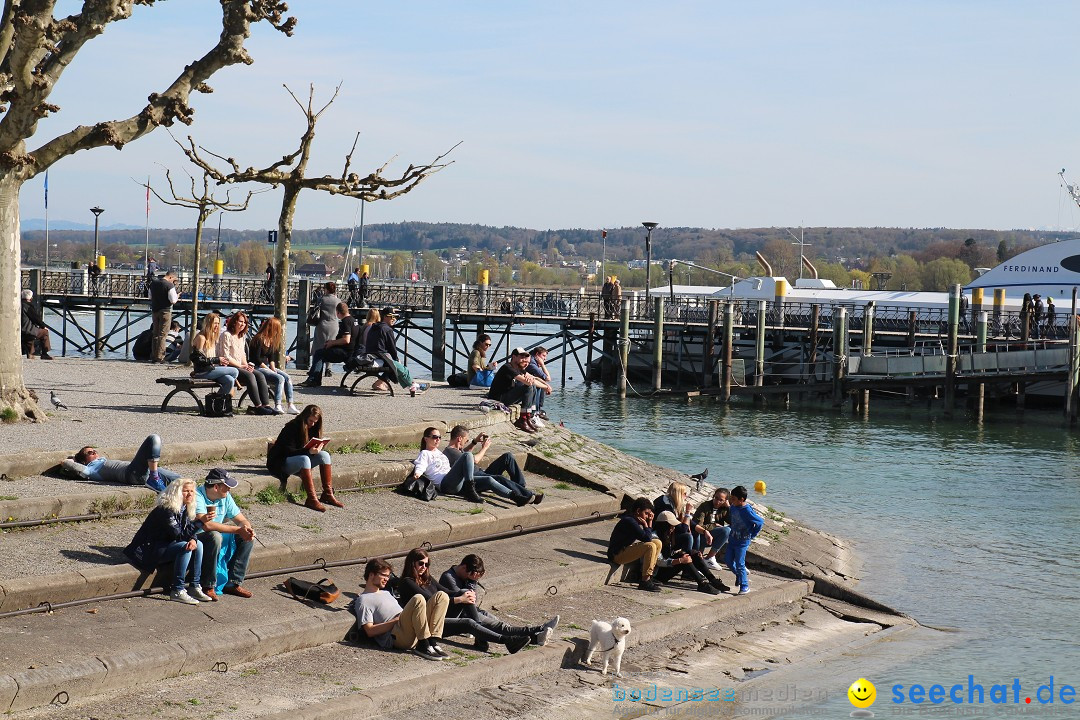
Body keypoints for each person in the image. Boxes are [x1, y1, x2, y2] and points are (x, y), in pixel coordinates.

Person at [437, 553, 559, 652]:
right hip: (457, 615)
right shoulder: (448, 577)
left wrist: (473, 581)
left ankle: (536, 637)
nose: (471, 580)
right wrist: (471, 583)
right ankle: (539, 629)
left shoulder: (466, 576)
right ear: (463, 567)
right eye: (470, 577)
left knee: (501, 624)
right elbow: (466, 600)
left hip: (472, 612)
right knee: (499, 627)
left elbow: (473, 602)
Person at [123, 478, 211, 605]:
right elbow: (179, 535)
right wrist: (200, 522)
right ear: (177, 492)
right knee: (184, 546)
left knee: (199, 544)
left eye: (192, 491)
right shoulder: (165, 510)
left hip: (166, 546)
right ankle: (177, 589)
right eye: (186, 491)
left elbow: (187, 529)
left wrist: (193, 538)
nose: (190, 494)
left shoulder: (184, 508)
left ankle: (194, 586)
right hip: (150, 550)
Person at [352, 557, 449, 661]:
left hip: (412, 628)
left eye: (388, 576)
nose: (387, 579)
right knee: (418, 599)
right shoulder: (363, 600)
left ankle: (432, 641)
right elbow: (370, 631)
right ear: (371, 575)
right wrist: (395, 621)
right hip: (397, 635)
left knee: (441, 596)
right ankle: (423, 645)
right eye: (384, 575)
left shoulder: (386, 592)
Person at [411, 426, 530, 504]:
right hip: (446, 484)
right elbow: (421, 464)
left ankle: (515, 497)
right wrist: (418, 473)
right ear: (426, 439)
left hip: (457, 481)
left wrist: (473, 442)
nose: (438, 440)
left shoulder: (439, 453)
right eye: (435, 437)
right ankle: (470, 489)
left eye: (439, 437)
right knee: (467, 455)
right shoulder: (425, 453)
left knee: (489, 479)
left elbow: (460, 457)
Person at [266, 404, 342, 511]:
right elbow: (288, 451)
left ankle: (327, 494)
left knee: (325, 455)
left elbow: (307, 448)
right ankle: (311, 499)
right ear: (305, 416)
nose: (312, 424)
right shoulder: (292, 427)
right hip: (281, 462)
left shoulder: (314, 428)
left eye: (315, 422)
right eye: (311, 420)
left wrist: (317, 448)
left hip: (299, 460)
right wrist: (308, 451)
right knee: (304, 459)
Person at [194, 468, 256, 600]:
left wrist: (246, 529)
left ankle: (233, 583)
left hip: (214, 533)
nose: (229, 490)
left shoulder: (225, 496)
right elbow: (207, 526)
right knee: (215, 536)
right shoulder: (197, 496)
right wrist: (238, 530)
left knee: (247, 538)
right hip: (196, 536)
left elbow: (241, 519)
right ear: (216, 487)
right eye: (227, 487)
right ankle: (208, 585)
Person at [443, 425, 543, 505]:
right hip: (476, 479)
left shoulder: (456, 449)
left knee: (507, 457)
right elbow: (475, 460)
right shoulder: (450, 452)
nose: (466, 442)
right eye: (466, 440)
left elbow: (465, 452)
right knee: (499, 478)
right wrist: (485, 448)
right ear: (460, 439)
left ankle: (520, 487)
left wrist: (474, 442)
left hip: (482, 473)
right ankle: (528, 495)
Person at [63, 434, 179, 492]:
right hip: (132, 474)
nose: (94, 452)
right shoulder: (91, 469)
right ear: (84, 460)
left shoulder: (101, 461)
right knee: (153, 438)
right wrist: (74, 458)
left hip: (141, 470)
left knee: (181, 481)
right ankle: (154, 479)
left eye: (94, 450)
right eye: (90, 453)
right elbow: (67, 463)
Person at [651, 510, 728, 595]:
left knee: (693, 554)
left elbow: (670, 553)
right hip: (657, 575)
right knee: (685, 560)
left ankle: (713, 580)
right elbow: (660, 561)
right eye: (671, 526)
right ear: (664, 526)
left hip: (666, 566)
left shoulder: (667, 535)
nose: (673, 528)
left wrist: (692, 553)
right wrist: (680, 560)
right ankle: (702, 584)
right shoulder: (655, 538)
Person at [217, 311, 276, 415]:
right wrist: (241, 366)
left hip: (240, 366)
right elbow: (226, 356)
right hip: (229, 367)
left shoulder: (241, 336)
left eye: (244, 323)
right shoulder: (226, 335)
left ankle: (266, 405)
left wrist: (246, 365)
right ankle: (257, 406)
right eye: (240, 322)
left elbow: (243, 354)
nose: (242, 324)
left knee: (259, 375)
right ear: (234, 322)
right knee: (250, 376)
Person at [606, 497, 664, 593]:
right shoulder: (630, 521)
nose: (647, 516)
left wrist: (649, 523)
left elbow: (647, 536)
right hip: (616, 555)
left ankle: (649, 576)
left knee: (657, 542)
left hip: (624, 550)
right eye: (646, 513)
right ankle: (645, 580)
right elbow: (647, 538)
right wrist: (647, 525)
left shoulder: (634, 521)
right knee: (650, 545)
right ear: (638, 511)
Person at [487, 348, 550, 433]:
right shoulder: (508, 367)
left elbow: (534, 379)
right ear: (514, 357)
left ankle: (529, 416)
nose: (523, 360)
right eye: (521, 357)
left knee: (533, 387)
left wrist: (546, 386)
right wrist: (544, 387)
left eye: (525, 358)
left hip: (507, 396)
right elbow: (526, 381)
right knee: (529, 387)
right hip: (498, 398)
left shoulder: (519, 368)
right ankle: (523, 419)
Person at [300, 303, 359, 387]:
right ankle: (315, 378)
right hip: (351, 352)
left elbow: (346, 340)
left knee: (319, 354)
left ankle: (313, 379)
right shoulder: (354, 320)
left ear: (338, 312)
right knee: (322, 352)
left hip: (345, 353)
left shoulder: (346, 321)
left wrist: (332, 343)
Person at [249, 316, 299, 414]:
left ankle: (290, 404)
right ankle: (278, 404)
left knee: (287, 377)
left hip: (266, 366)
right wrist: (268, 368)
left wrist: (273, 368)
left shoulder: (271, 340)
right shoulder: (258, 339)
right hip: (257, 366)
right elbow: (257, 359)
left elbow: (271, 358)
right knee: (280, 379)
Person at [725, 485, 764, 595]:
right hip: (732, 539)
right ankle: (739, 575)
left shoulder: (747, 510)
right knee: (728, 560)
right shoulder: (733, 507)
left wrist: (752, 534)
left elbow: (760, 522)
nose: (731, 501)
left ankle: (744, 586)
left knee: (740, 563)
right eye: (731, 498)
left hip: (742, 541)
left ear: (741, 499)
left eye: (733, 499)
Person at [190, 312, 239, 396]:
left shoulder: (213, 337)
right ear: (209, 324)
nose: (217, 326)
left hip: (211, 369)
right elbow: (198, 359)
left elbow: (211, 357)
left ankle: (217, 402)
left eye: (218, 323)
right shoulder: (202, 338)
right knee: (234, 371)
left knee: (229, 380)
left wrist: (220, 362)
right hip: (203, 371)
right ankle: (228, 393)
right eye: (215, 323)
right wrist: (217, 359)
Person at [692, 487, 731, 571]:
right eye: (716, 498)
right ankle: (705, 560)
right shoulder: (704, 506)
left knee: (731, 529)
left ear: (725, 501)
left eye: (721, 500)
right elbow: (698, 526)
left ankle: (709, 558)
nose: (717, 502)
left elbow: (734, 522)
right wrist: (714, 525)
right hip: (701, 536)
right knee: (726, 530)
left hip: (713, 537)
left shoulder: (724, 509)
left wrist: (729, 507)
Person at [366, 306, 400, 391]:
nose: (394, 319)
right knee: (395, 364)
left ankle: (381, 382)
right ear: (385, 317)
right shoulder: (387, 329)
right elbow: (392, 348)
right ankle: (412, 385)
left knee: (392, 362)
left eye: (395, 317)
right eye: (392, 316)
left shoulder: (373, 327)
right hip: (378, 358)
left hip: (369, 356)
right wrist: (396, 359)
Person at [149, 270, 178, 363]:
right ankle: (160, 357)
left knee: (155, 333)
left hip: (155, 310)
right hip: (165, 311)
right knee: (162, 334)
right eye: (173, 280)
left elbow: (150, 296)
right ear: (170, 277)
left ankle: (153, 355)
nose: (173, 282)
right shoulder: (169, 285)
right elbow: (173, 300)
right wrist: (177, 296)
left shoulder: (153, 283)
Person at [310, 281, 341, 357]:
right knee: (330, 346)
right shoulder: (338, 301)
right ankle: (328, 367)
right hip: (334, 325)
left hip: (322, 324)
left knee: (319, 346)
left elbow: (315, 307)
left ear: (326, 289)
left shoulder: (321, 299)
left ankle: (317, 366)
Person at [20, 289, 52, 359]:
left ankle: (30, 353)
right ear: (31, 298)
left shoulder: (18, 305)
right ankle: (44, 353)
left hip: (19, 330)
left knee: (29, 337)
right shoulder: (28, 306)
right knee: (44, 333)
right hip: (27, 330)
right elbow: (36, 319)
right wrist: (43, 326)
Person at [526, 346, 552, 418]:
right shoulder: (531, 363)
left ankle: (538, 409)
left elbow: (538, 378)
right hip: (523, 386)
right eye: (543, 355)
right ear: (537, 354)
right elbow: (548, 378)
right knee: (537, 386)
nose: (545, 358)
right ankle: (535, 411)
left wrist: (546, 385)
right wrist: (543, 365)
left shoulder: (533, 360)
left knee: (541, 383)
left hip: (527, 383)